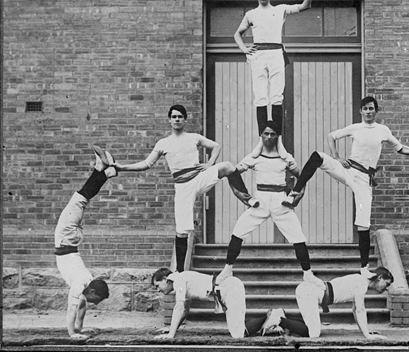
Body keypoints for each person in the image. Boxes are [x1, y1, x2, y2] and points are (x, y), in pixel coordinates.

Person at [282, 96, 409, 276]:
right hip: (348, 169)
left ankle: (364, 269)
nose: (368, 112)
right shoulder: (355, 128)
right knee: (317, 156)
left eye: (371, 108)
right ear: (360, 111)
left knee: (363, 224)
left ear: (376, 111)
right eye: (365, 109)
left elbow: (402, 148)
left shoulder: (383, 130)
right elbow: (331, 136)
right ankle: (295, 192)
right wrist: (336, 157)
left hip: (364, 179)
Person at [113, 104, 257, 273]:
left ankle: (247, 198)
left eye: (180, 116)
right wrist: (122, 167)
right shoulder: (163, 143)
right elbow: (146, 164)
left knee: (226, 166)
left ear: (185, 119)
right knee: (182, 231)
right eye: (174, 117)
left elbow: (216, 146)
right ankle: (180, 273)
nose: (177, 119)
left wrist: (210, 163)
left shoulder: (193, 137)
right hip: (182, 187)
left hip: (199, 177)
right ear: (169, 120)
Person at [215, 121, 325, 290]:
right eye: (265, 134)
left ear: (277, 136)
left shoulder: (285, 157)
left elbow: (302, 177)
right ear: (261, 135)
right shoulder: (254, 157)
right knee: (238, 232)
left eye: (272, 134)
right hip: (259, 202)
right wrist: (239, 193)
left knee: (298, 238)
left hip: (281, 202)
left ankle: (308, 274)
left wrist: (298, 194)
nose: (268, 137)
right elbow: (232, 173)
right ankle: (227, 269)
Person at [234, 0, 313, 160]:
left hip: (276, 53)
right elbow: (237, 34)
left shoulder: (281, 9)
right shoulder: (251, 14)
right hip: (258, 55)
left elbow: (306, 5)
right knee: (260, 97)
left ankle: (278, 142)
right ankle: (262, 141)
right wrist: (244, 49)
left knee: (276, 97)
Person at [54, 145, 116, 338]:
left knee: (82, 199)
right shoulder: (81, 283)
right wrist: (72, 333)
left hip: (70, 241)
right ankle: (103, 172)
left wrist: (80, 328)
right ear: (92, 291)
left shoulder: (85, 284)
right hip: (66, 237)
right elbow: (72, 309)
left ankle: (101, 171)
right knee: (80, 198)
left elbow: (80, 306)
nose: (94, 303)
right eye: (95, 300)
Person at [152, 267, 294, 339]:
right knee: (238, 331)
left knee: (238, 334)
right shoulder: (180, 280)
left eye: (158, 285)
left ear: (165, 279)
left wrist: (171, 334)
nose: (158, 290)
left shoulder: (178, 280)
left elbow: (178, 307)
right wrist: (172, 329)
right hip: (227, 289)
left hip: (229, 288)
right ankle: (271, 317)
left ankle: (275, 317)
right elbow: (184, 310)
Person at [260, 267, 393, 339]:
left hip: (309, 291)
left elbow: (355, 311)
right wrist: (367, 336)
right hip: (309, 292)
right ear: (380, 277)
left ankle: (282, 315)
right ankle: (278, 319)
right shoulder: (361, 283)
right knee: (314, 334)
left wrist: (367, 331)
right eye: (386, 284)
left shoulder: (361, 280)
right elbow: (360, 310)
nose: (385, 288)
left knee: (311, 329)